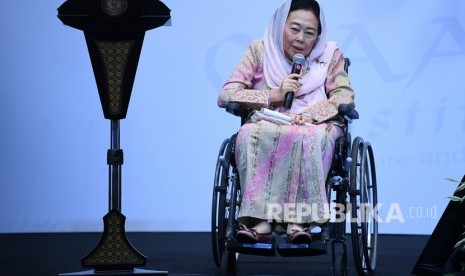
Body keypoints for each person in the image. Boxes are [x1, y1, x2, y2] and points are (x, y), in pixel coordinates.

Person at [217, 0, 355, 244]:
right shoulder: (259, 50)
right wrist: (273, 95)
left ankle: (298, 220)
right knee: (249, 133)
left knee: (310, 136)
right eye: (294, 29)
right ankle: (258, 220)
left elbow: (343, 96)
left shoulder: (329, 55)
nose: (301, 38)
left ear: (318, 36)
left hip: (315, 123)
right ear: (280, 26)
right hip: (271, 118)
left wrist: (313, 113)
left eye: (309, 33)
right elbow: (227, 94)